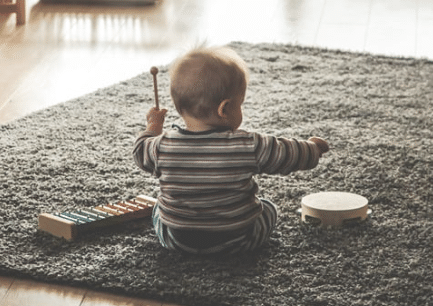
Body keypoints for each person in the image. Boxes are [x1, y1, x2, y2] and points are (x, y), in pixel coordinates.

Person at [133, 45, 329, 255]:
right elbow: (287, 153)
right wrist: (313, 148)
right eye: (240, 104)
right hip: (239, 239)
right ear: (224, 109)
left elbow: (140, 151)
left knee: (158, 208)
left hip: (177, 240)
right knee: (269, 208)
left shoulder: (161, 146)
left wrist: (153, 126)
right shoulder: (248, 145)